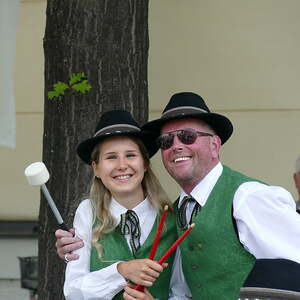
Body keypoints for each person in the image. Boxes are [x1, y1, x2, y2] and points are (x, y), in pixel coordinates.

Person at [56, 93, 300, 300]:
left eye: (188, 136)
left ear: (215, 145)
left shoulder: (249, 197)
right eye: (166, 141)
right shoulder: (179, 210)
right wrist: (119, 270)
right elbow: (185, 290)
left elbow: (293, 268)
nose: (177, 146)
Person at [62, 109, 178, 300]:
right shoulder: (88, 212)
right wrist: (121, 271)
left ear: (145, 164)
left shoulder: (171, 218)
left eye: (131, 155)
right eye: (111, 157)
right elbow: (73, 291)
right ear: (96, 168)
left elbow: (181, 290)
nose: (122, 165)